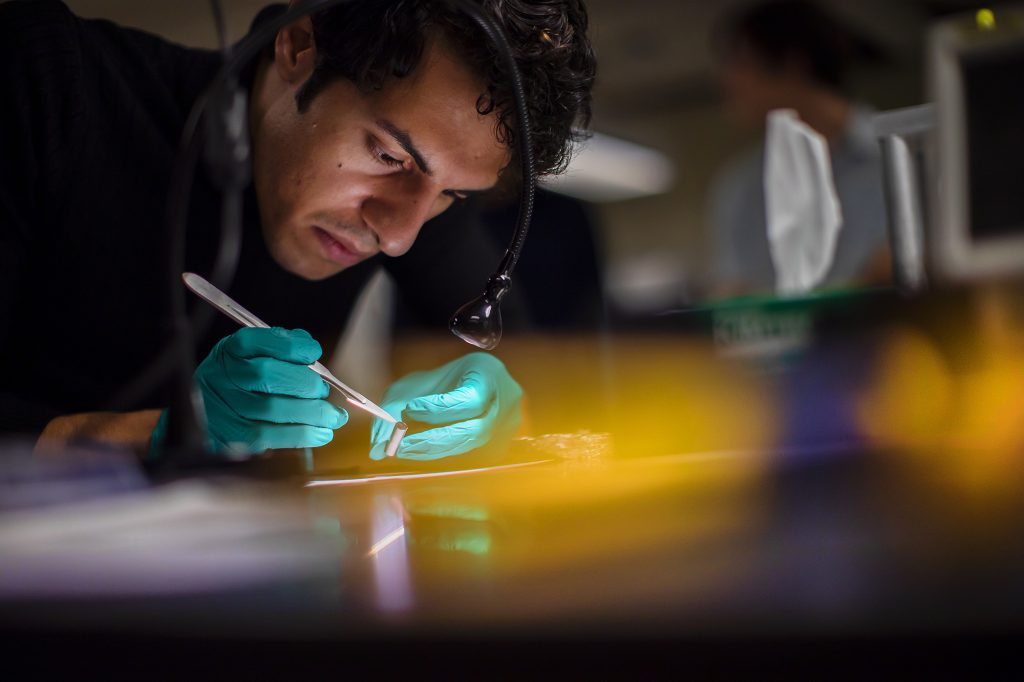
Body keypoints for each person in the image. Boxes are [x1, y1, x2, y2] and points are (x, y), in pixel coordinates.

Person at [0, 0, 596, 461]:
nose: (397, 237)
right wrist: (154, 434)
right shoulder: (46, 79)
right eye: (388, 156)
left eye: (452, 194)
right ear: (298, 44)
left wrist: (493, 408)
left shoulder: (419, 200)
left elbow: (527, 372)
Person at [708, 0, 890, 298]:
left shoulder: (905, 156)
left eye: (739, 63)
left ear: (794, 63)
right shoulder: (740, 189)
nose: (727, 81)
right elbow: (733, 294)